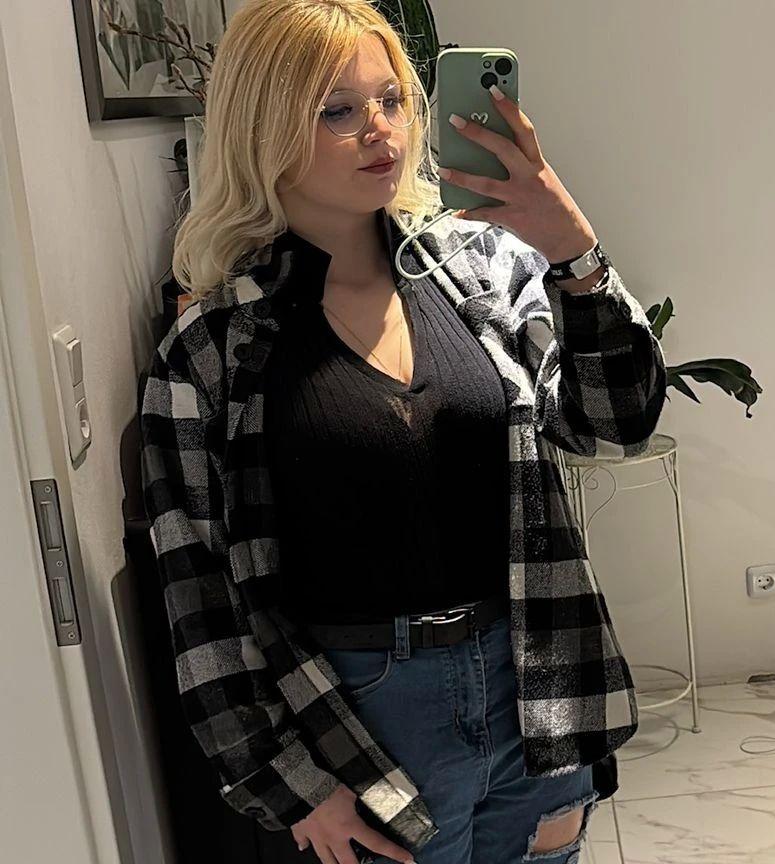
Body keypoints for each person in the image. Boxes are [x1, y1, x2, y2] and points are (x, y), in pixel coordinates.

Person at [138, 1, 667, 862]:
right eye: (337, 111)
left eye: (391, 100)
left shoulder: (479, 270)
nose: (380, 129)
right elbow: (198, 590)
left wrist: (574, 253)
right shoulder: (215, 347)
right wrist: (291, 785)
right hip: (363, 713)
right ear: (262, 127)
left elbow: (617, 419)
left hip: (532, 680)